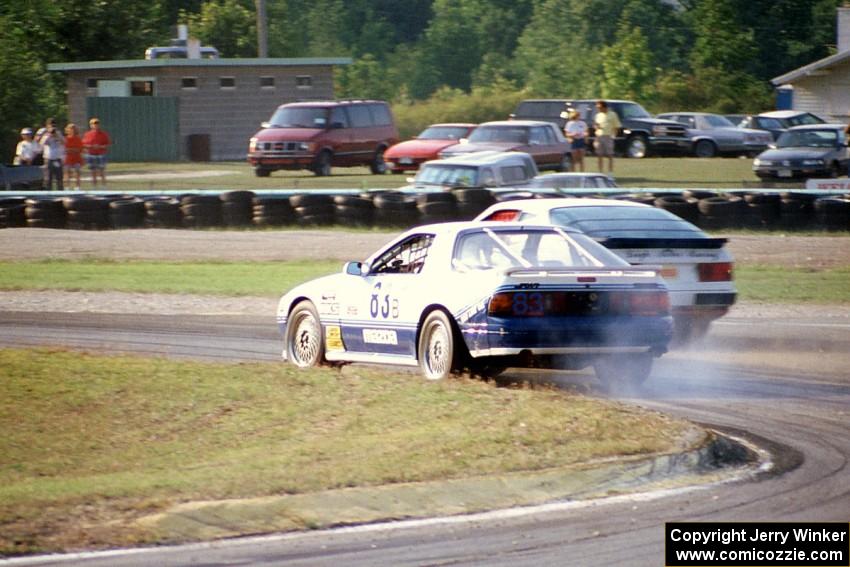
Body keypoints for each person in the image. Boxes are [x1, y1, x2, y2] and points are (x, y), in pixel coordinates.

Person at [593, 100, 621, 173]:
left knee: (610, 156)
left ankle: (610, 173)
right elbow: (596, 124)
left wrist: (614, 135)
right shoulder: (598, 115)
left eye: (600, 107)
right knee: (599, 155)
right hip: (599, 136)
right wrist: (596, 127)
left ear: (604, 107)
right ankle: (600, 172)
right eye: (597, 108)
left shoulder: (613, 114)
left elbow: (616, 126)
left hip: (608, 137)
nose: (598, 109)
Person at [82, 117, 111, 187]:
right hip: (91, 154)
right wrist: (91, 146)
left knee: (102, 171)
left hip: (101, 154)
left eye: (97, 124)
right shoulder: (87, 134)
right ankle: (94, 187)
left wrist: (100, 146)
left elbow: (107, 144)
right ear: (90, 125)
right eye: (94, 124)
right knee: (93, 171)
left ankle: (104, 186)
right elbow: (84, 145)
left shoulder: (103, 134)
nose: (95, 125)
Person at [38, 118, 65, 191]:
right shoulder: (45, 135)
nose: (52, 128)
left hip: (57, 159)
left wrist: (57, 136)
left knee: (59, 178)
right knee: (48, 178)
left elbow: (64, 143)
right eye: (50, 126)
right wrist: (48, 136)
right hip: (48, 159)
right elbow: (40, 146)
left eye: (54, 126)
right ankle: (49, 194)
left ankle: (60, 193)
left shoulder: (59, 133)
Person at [64, 123, 84, 190]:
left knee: (77, 172)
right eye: (70, 128)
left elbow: (79, 149)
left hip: (77, 158)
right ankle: (67, 187)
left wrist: (71, 149)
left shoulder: (78, 139)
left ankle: (77, 187)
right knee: (67, 172)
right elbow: (65, 149)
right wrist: (72, 149)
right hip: (68, 159)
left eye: (73, 128)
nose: (72, 130)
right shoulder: (65, 139)